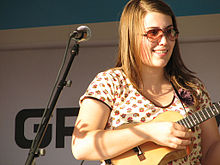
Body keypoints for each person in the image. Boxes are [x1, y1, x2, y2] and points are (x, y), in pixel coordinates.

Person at [71, 0, 220, 164]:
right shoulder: (110, 82)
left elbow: (212, 148)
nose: (164, 41)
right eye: (153, 33)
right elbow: (81, 145)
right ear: (131, 36)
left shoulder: (192, 88)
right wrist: (149, 132)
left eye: (170, 31)